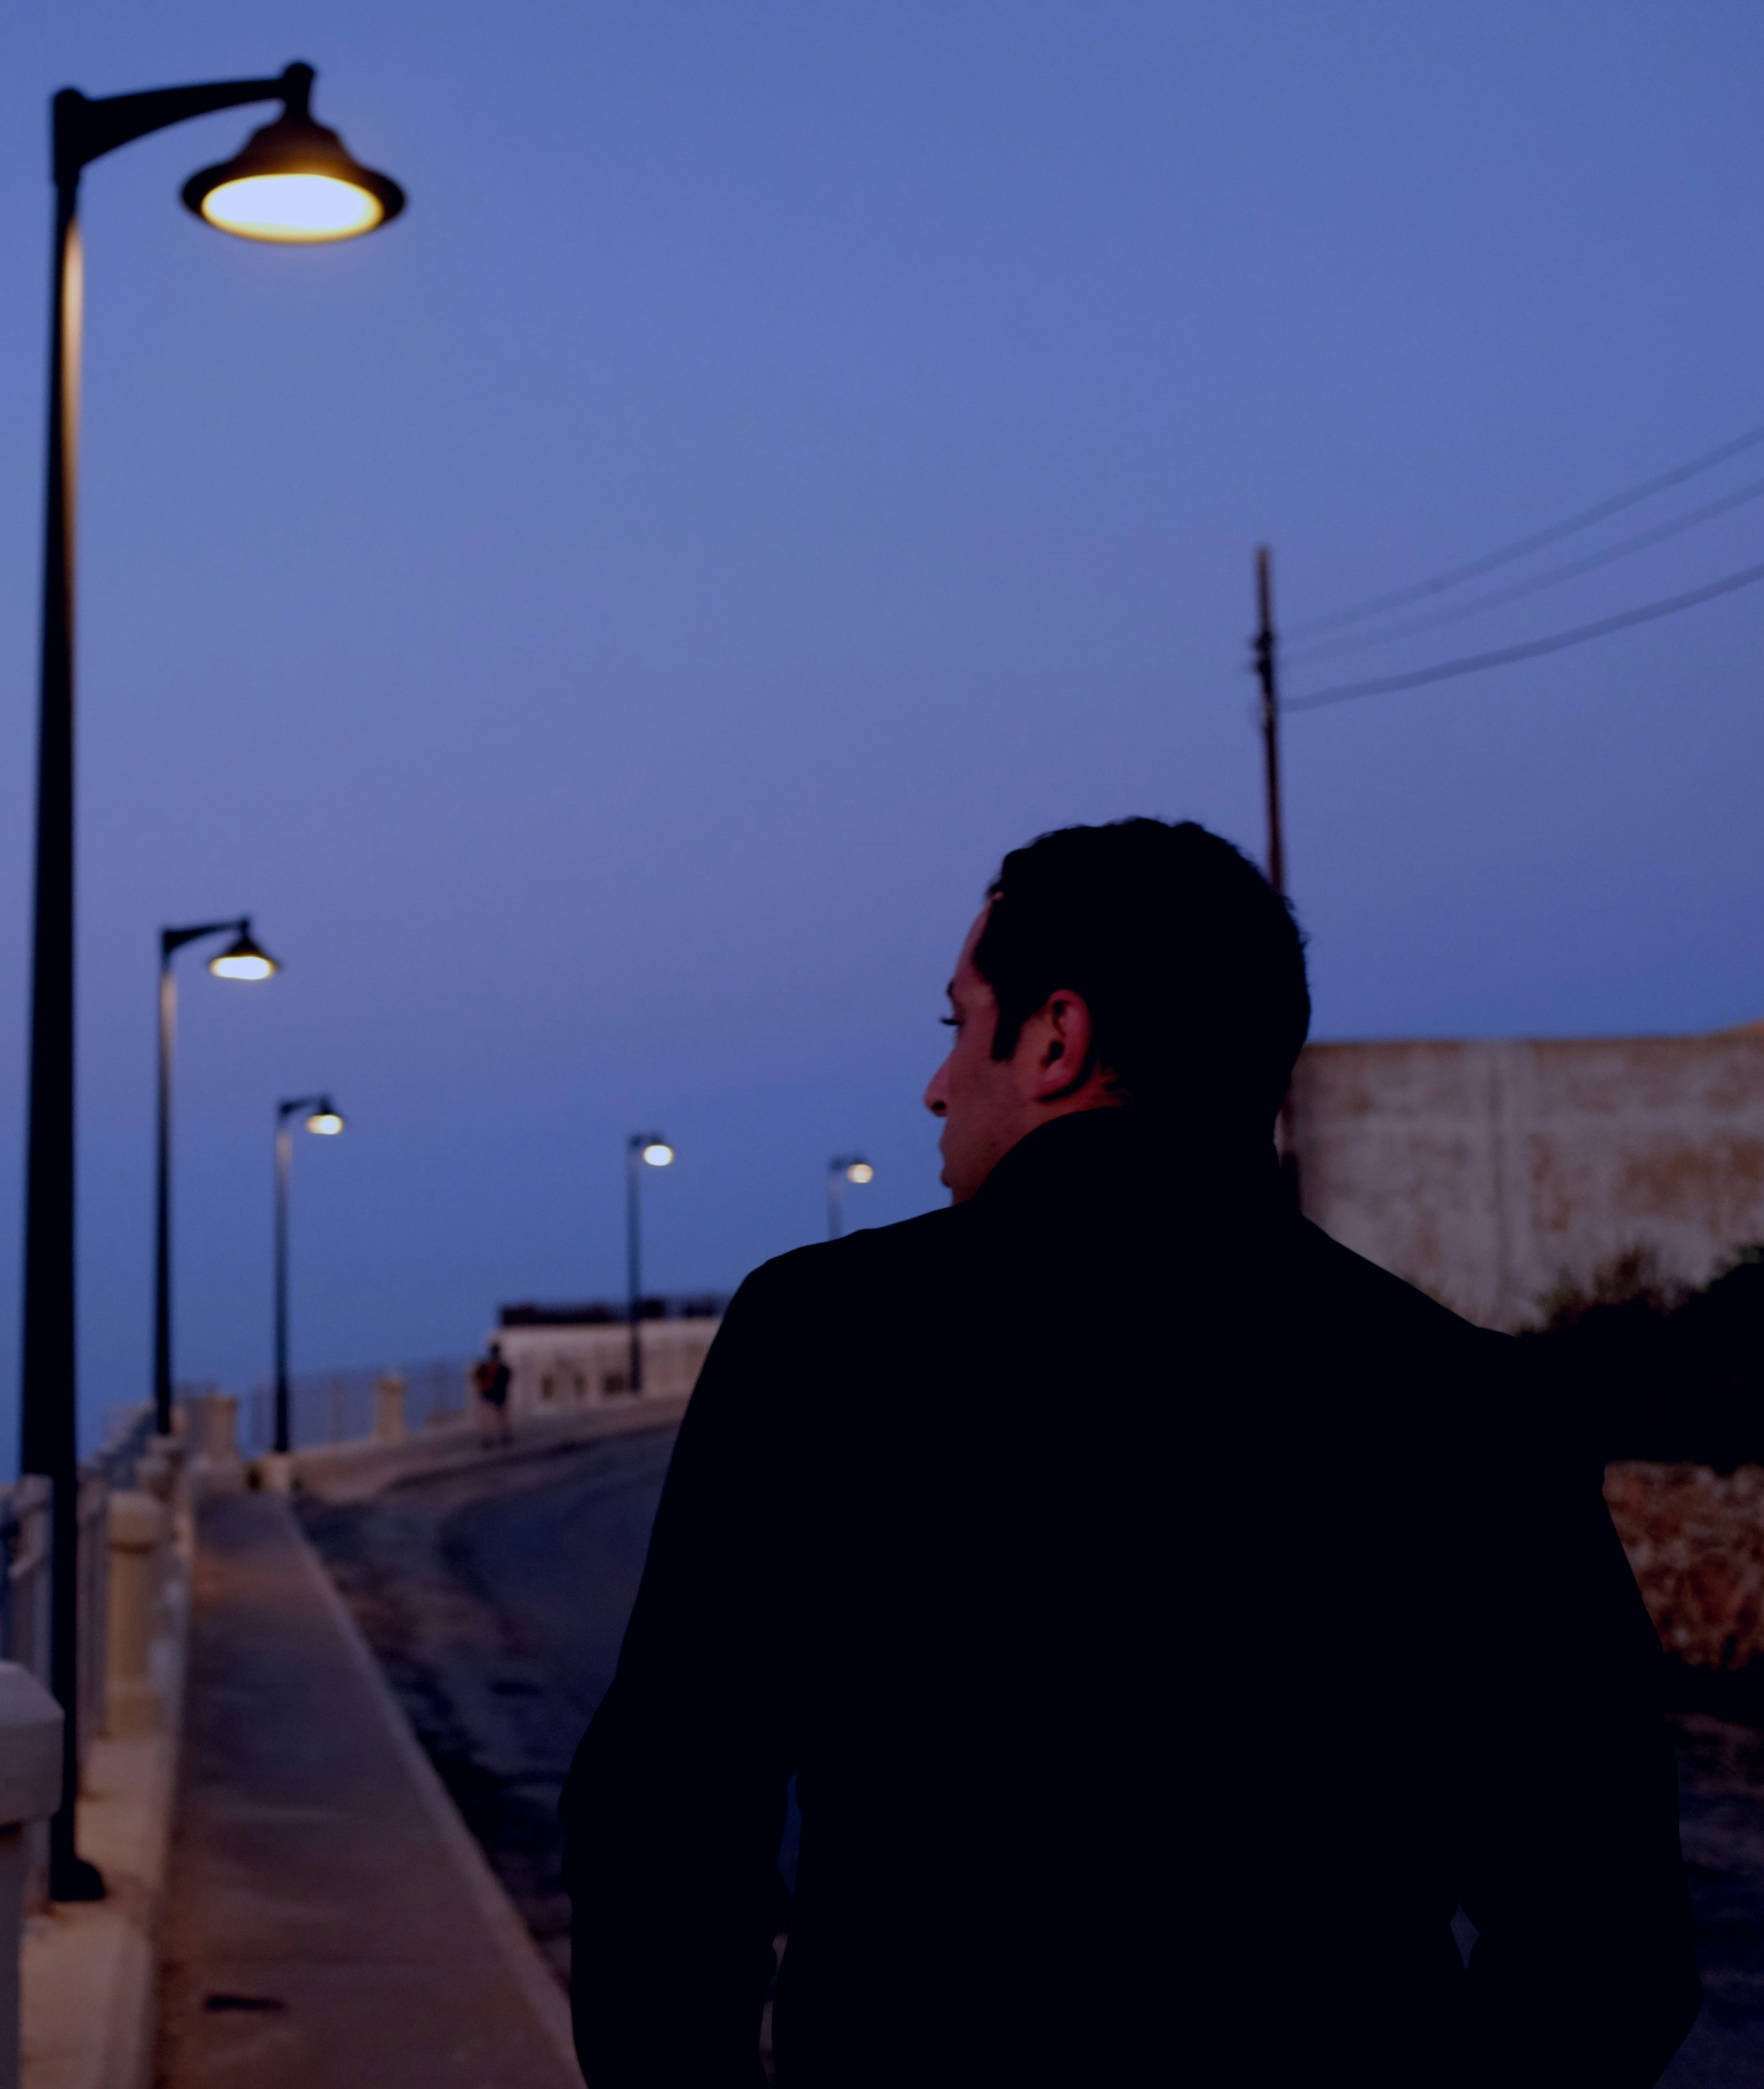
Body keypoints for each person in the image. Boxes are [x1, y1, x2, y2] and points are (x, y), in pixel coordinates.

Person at [561, 819, 1699, 2087]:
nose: (935, 1084)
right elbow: (1611, 1943)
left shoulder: (822, 1337)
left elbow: (664, 1832)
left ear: (1056, 1038)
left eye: (957, 1023)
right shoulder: (1471, 1399)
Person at [472, 1341, 515, 1448]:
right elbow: (508, 1377)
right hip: (499, 1393)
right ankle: (503, 1436)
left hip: (488, 1393)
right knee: (501, 1416)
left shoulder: (486, 1366)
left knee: (488, 1417)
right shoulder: (501, 1366)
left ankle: (488, 1438)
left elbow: (478, 1377)